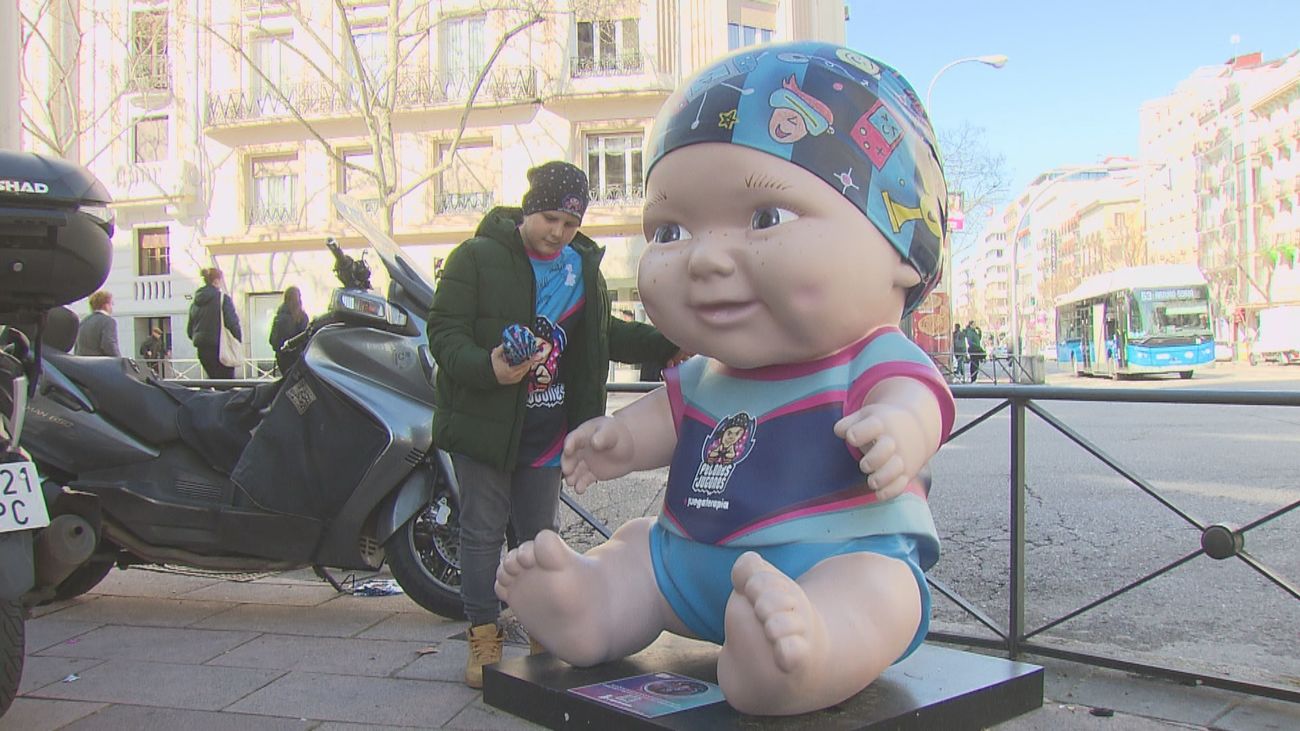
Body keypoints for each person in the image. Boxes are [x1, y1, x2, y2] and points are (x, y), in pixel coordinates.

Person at [496, 42, 955, 716]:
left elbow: (919, 402)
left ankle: (802, 652)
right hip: (685, 559)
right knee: (633, 552)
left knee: (884, 591)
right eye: (672, 230)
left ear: (901, 255)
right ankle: (590, 605)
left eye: (767, 218)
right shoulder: (707, 373)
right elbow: (663, 419)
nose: (706, 259)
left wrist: (898, 430)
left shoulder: (866, 358)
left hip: (830, 559)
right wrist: (616, 439)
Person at [426, 160, 684, 689]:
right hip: (486, 429)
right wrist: (489, 366)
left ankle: (545, 628)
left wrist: (669, 343)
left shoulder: (580, 267)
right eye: (548, 218)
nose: (557, 233)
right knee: (481, 534)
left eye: (569, 224)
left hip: (548, 432)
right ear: (528, 208)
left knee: (540, 537)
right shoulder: (475, 258)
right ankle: (483, 639)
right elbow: (444, 332)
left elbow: (602, 334)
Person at [186, 267, 242, 379]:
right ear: (216, 280)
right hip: (221, 348)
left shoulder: (195, 303)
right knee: (227, 386)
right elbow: (232, 323)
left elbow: (189, 331)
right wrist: (238, 339)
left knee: (214, 381)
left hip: (202, 349)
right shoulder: (222, 299)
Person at [269, 286, 310, 376]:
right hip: (299, 360)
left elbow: (272, 341)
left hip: (283, 360)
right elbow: (307, 338)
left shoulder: (280, 317)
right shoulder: (303, 317)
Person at [73, 290, 120, 357]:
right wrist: (120, 361)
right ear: (106, 305)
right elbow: (109, 344)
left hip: (83, 364)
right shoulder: (108, 321)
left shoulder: (84, 321)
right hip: (101, 364)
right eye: (111, 304)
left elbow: (77, 347)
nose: (112, 307)